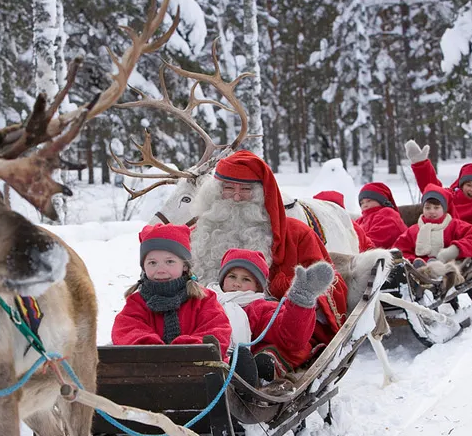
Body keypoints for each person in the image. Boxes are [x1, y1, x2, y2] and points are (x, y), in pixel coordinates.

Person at [190, 150, 348, 345]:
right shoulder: (198, 234)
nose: (236, 197)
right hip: (202, 331)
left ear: (262, 194)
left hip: (270, 334)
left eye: (246, 189)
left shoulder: (297, 235)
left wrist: (290, 289)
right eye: (228, 188)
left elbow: (331, 289)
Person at [209, 248, 335, 381]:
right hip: (208, 355)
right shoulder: (208, 300)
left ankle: (258, 373)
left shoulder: (261, 308)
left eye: (246, 279)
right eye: (232, 276)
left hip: (246, 362)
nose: (237, 284)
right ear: (222, 279)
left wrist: (300, 302)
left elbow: (290, 336)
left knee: (268, 354)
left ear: (257, 287)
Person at [111, 223, 231, 350]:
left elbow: (217, 329)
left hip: (198, 366)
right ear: (143, 267)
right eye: (152, 263)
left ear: (184, 265)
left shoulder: (203, 299)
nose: (161, 270)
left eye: (169, 262)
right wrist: (153, 348)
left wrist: (184, 349)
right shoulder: (137, 302)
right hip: (148, 367)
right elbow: (127, 329)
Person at [393, 185, 472, 265]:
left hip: (447, 266)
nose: (431, 211)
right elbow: (400, 250)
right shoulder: (414, 230)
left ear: (444, 209)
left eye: (436, 208)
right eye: (427, 208)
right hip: (418, 270)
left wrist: (454, 250)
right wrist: (413, 260)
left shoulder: (454, 225)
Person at [354, 182, 408, 249]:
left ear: (381, 201)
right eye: (361, 203)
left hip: (388, 256)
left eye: (369, 201)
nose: (365, 205)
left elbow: (376, 241)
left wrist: (352, 243)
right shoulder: (361, 220)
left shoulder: (387, 214)